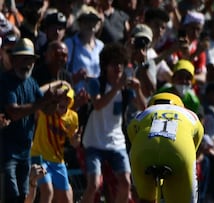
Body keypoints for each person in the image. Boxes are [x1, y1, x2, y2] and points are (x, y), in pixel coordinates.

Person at [0, 38, 69, 203]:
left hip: (25, 152)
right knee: (11, 196)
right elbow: (14, 112)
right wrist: (44, 101)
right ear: (14, 59)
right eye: (23, 58)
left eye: (30, 59)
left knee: (23, 196)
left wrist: (54, 100)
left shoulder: (31, 83)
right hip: (6, 152)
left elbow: (46, 110)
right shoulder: (6, 81)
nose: (27, 64)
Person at [80, 42, 146, 203]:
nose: (118, 67)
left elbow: (143, 109)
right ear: (106, 65)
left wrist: (138, 90)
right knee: (93, 185)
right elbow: (97, 105)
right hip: (94, 142)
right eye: (113, 63)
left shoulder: (126, 88)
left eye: (121, 63)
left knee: (125, 182)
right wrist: (117, 87)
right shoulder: (97, 83)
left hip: (116, 142)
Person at [127, 92, 204, 203]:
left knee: (144, 199)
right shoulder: (190, 114)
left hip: (144, 150)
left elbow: (131, 132)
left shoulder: (144, 113)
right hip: (179, 150)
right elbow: (196, 140)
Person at [28, 84, 81, 203]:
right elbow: (37, 94)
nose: (63, 101)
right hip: (39, 155)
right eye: (61, 98)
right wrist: (58, 83)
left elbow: (73, 143)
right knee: (48, 191)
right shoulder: (45, 111)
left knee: (67, 198)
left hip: (58, 161)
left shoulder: (73, 117)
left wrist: (76, 140)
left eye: (67, 99)